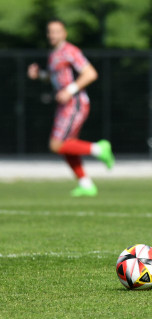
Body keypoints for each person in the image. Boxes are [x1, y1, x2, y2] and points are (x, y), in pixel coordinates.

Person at [27, 18, 115, 197]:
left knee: (57, 145)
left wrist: (70, 90)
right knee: (67, 146)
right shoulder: (53, 55)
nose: (53, 35)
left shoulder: (70, 51)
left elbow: (90, 73)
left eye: (56, 31)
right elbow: (52, 78)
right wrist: (39, 75)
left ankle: (99, 149)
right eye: (50, 31)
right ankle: (86, 184)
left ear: (64, 33)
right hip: (64, 105)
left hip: (74, 103)